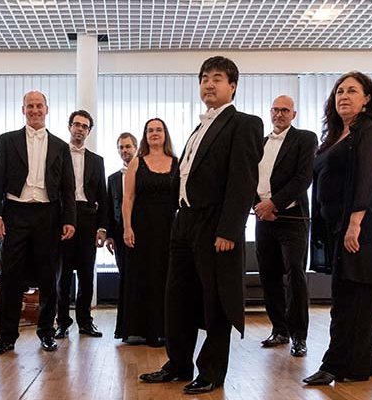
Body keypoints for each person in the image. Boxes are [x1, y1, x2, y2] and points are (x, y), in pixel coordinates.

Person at [140, 56, 263, 394]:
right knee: (177, 296)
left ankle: (211, 371)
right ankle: (178, 364)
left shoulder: (245, 124)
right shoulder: (198, 127)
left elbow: (243, 181)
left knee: (215, 299)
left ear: (232, 86)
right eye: (204, 78)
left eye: (218, 78)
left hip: (215, 224)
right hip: (185, 222)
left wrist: (229, 229)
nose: (209, 84)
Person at [303, 71, 372, 385]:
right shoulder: (335, 137)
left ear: (366, 100)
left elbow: (368, 179)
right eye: (340, 91)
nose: (343, 96)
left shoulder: (367, 132)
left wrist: (355, 223)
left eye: (352, 91)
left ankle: (337, 366)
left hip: (361, 230)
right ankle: (366, 361)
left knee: (351, 301)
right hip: (338, 229)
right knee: (349, 297)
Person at [0, 90, 76, 356]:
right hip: (15, 213)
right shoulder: (6, 141)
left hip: (49, 215)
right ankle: (6, 337)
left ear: (47, 109)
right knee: (11, 277)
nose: (35, 110)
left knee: (50, 277)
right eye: (30, 106)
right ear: (23, 110)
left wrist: (69, 219)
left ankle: (47, 332)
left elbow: (68, 188)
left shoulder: (60, 145)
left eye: (39, 106)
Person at [254, 95, 318, 357]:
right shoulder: (260, 142)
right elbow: (247, 176)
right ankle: (279, 329)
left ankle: (299, 337)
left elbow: (303, 178)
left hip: (292, 220)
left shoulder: (305, 138)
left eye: (284, 110)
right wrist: (259, 207)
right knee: (269, 276)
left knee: (295, 277)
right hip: (262, 219)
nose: (279, 114)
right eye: (275, 110)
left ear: (294, 114)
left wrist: (274, 205)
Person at [121, 119, 178, 347]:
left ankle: (164, 329)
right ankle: (141, 330)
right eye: (150, 130)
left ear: (165, 134)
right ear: (145, 135)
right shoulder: (136, 163)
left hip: (169, 227)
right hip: (141, 227)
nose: (155, 134)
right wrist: (127, 227)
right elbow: (128, 197)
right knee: (143, 275)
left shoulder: (177, 162)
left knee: (165, 276)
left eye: (159, 130)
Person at [55, 110, 108, 339]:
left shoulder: (97, 161)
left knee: (87, 274)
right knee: (63, 275)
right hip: (63, 217)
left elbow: (103, 198)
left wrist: (103, 228)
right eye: (76, 124)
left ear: (89, 131)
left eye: (84, 126)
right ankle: (62, 323)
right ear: (69, 127)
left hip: (88, 216)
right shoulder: (56, 155)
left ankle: (85, 322)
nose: (79, 129)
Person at [105, 132, 138, 340]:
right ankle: (128, 328)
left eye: (128, 146)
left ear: (135, 148)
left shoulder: (144, 172)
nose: (125, 150)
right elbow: (109, 207)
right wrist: (109, 235)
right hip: (119, 235)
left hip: (143, 232)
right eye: (121, 147)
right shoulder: (113, 178)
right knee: (125, 278)